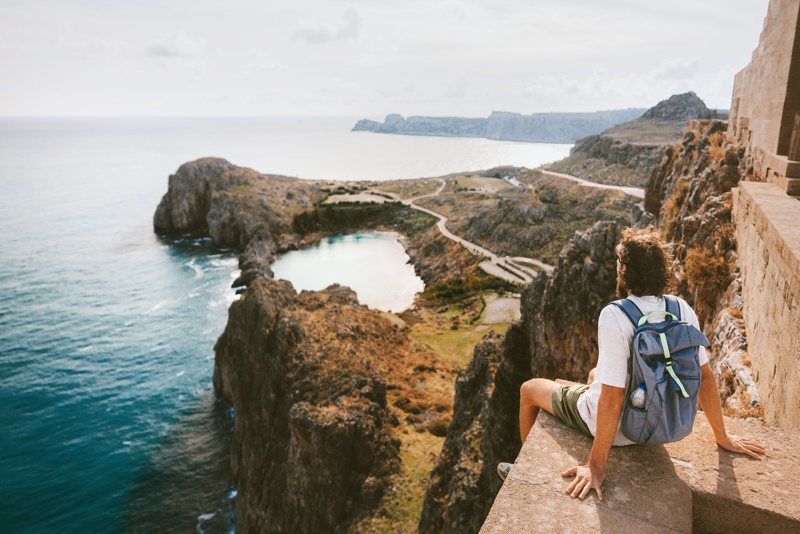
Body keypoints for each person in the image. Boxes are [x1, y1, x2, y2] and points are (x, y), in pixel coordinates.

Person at [496, 227, 765, 500]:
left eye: (618, 264)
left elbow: (613, 396)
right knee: (593, 374)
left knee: (528, 390)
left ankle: (521, 470)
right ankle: (591, 389)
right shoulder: (682, 309)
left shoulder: (615, 315)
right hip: (660, 419)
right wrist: (722, 436)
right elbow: (704, 377)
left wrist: (595, 468)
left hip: (624, 430)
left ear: (624, 269)